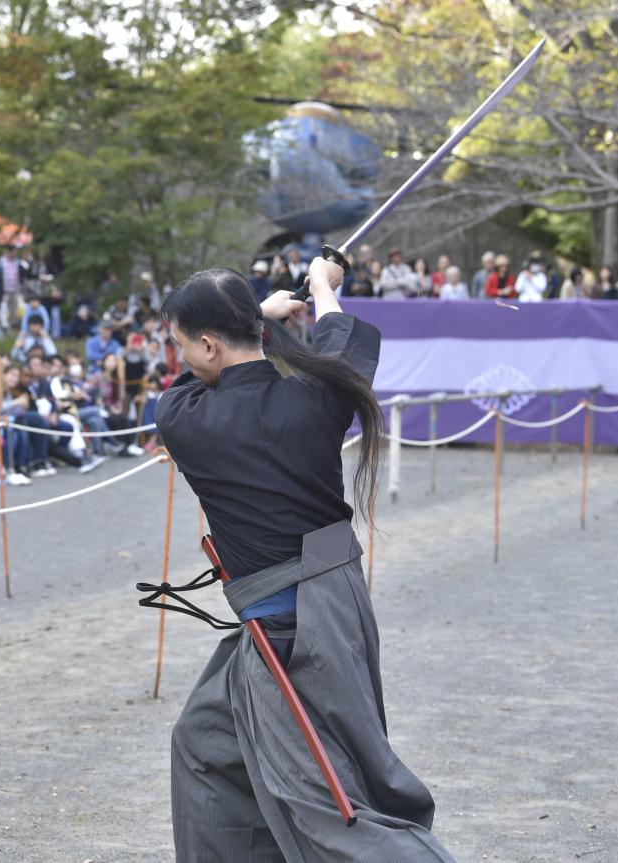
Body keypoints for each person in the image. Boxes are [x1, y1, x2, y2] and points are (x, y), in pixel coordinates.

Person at [155, 262, 452, 862]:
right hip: (328, 607)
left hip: (295, 632)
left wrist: (262, 314)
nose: (182, 357)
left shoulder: (185, 418)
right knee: (206, 744)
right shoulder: (317, 395)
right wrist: (321, 287)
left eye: (183, 343)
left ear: (208, 343)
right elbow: (339, 342)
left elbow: (192, 381)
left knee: (329, 804)